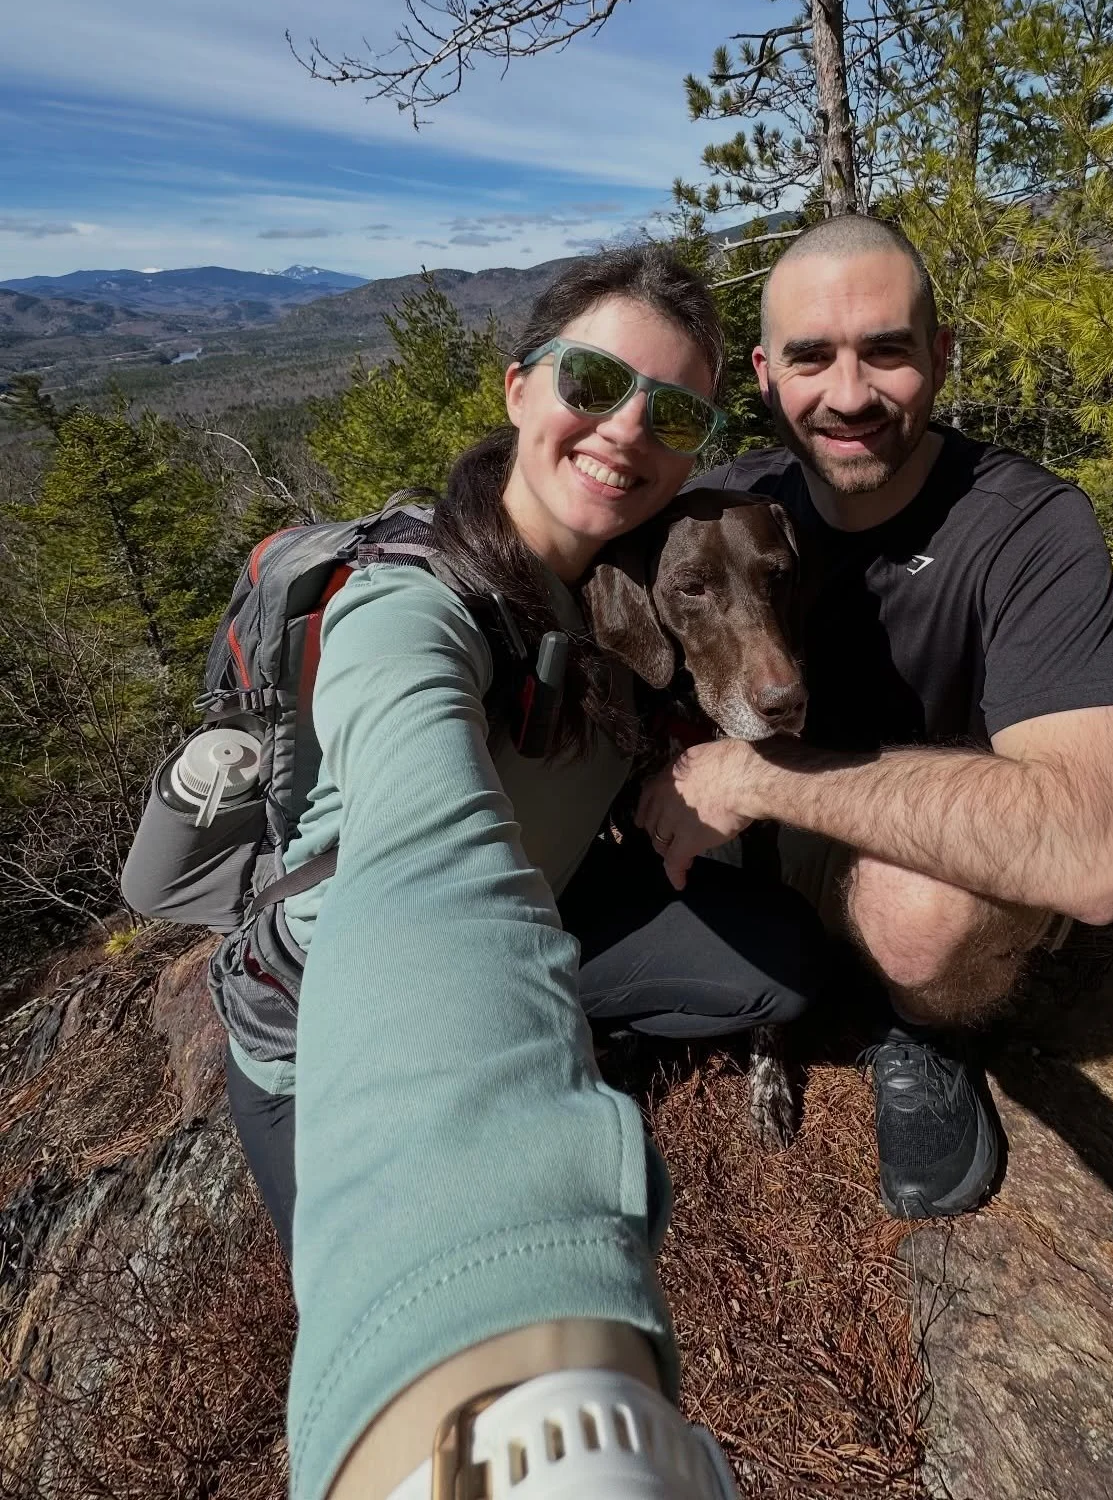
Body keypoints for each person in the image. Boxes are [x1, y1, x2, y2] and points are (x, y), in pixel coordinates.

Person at [224, 246, 826, 1260]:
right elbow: (422, 839)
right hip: (343, 1026)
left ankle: (586, 1024)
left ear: (693, 457)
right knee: (425, 1269)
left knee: (790, 967)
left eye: (674, 415)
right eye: (592, 382)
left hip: (547, 911)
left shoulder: (626, 588)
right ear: (518, 390)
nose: (627, 428)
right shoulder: (410, 607)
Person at [636, 214, 1113, 1220]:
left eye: (885, 351)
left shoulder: (1027, 529)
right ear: (766, 375)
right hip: (771, 843)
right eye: (811, 357)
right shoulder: (728, 512)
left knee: (916, 914)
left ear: (940, 357)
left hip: (935, 852)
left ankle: (920, 1025)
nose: (848, 393)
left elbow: (1094, 849)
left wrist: (749, 774)